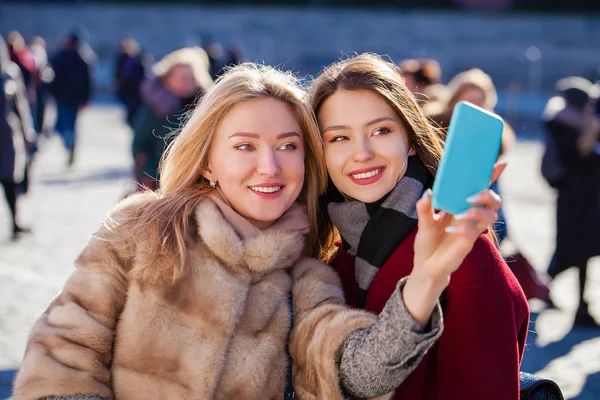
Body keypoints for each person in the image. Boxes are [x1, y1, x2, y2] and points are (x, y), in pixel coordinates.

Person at [13, 62, 462, 399]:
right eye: (245, 145)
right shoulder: (141, 231)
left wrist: (426, 279)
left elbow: (355, 371)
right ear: (208, 160)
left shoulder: (306, 274)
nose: (269, 166)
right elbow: (60, 361)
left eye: (288, 146)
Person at [310, 54, 529, 399]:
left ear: (410, 140)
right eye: (339, 138)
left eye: (381, 130)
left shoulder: (462, 253)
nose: (362, 153)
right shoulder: (335, 257)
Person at [429, 67, 552, 304]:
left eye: (480, 102)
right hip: (441, 201)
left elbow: (494, 182)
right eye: (468, 101)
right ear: (454, 99)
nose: (476, 107)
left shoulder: (493, 132)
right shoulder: (434, 124)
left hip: (483, 197)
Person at [543, 76, 600, 327]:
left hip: (584, 196)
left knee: (578, 250)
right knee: (573, 250)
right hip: (575, 197)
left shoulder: (564, 120)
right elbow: (582, 152)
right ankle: (540, 285)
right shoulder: (566, 123)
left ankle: (547, 287)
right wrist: (590, 123)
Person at [130, 47, 212, 191]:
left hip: (197, 183)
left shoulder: (206, 109)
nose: (185, 82)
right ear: (167, 79)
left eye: (189, 77)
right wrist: (149, 173)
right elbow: (139, 145)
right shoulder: (155, 107)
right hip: (160, 181)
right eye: (180, 77)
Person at [0, 34, 35, 240]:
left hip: (6, 136)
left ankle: (14, 223)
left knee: (9, 182)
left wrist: (27, 131)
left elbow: (21, 105)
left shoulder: (10, 72)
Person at [50, 32, 92, 167]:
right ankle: (70, 145)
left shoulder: (63, 56)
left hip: (64, 97)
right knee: (68, 125)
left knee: (64, 125)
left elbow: (53, 77)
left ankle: (69, 145)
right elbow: (88, 82)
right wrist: (86, 98)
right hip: (72, 98)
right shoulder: (82, 59)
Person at [114, 37, 147, 126]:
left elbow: (143, 75)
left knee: (133, 111)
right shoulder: (122, 58)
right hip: (126, 89)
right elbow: (118, 72)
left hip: (136, 90)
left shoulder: (139, 59)